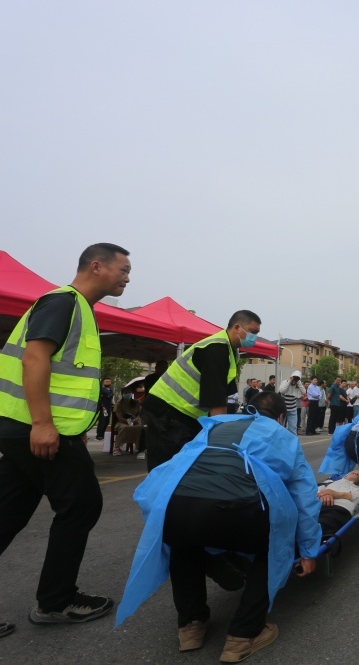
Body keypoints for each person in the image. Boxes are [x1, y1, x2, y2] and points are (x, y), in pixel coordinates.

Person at [115, 391, 321, 662]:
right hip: (237, 510)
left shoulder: (214, 427)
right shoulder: (283, 436)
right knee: (272, 546)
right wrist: (308, 550)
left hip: (176, 506)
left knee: (184, 545)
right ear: (281, 417)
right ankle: (244, 635)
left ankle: (190, 626)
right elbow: (305, 498)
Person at [0, 242, 131, 625]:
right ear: (96, 266)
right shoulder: (64, 302)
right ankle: (56, 600)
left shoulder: (80, 309)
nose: (128, 278)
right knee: (81, 505)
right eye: (123, 269)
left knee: (9, 511)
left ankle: (55, 598)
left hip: (23, 425)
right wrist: (43, 424)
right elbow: (35, 358)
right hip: (33, 426)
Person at [143, 310, 262, 471]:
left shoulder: (230, 351)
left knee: (184, 466)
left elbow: (223, 395)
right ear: (237, 327)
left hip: (184, 414)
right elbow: (216, 401)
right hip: (167, 411)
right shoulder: (216, 349)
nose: (254, 337)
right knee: (166, 469)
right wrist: (222, 439)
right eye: (252, 332)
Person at [316, 469, 359, 535]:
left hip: (338, 510)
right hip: (316, 505)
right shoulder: (330, 482)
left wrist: (338, 494)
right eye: (353, 472)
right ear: (345, 476)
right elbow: (313, 491)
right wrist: (322, 494)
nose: (357, 473)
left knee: (320, 527)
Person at [113, 379, 145, 456]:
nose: (127, 394)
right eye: (125, 393)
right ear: (122, 394)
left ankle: (139, 448)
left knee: (140, 427)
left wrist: (136, 419)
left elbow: (139, 414)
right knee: (125, 428)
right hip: (122, 423)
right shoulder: (119, 404)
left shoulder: (137, 402)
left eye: (129, 393)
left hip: (134, 422)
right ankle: (117, 448)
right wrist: (128, 421)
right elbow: (120, 417)